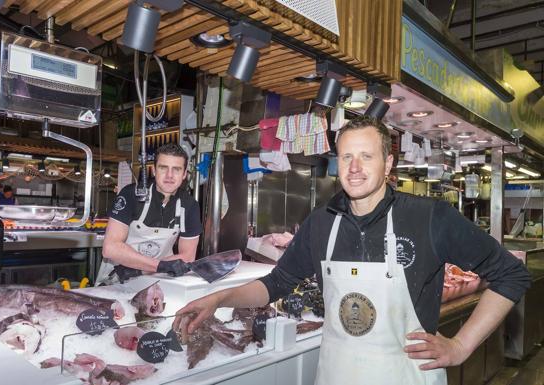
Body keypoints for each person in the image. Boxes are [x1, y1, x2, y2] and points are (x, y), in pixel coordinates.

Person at [173, 115, 530, 385]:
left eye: (366, 157)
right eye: (346, 158)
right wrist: (220, 299)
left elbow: (510, 275)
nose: (355, 169)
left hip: (405, 376)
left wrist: (461, 347)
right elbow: (276, 283)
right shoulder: (321, 223)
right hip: (336, 374)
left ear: (388, 164)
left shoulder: (429, 218)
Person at [96, 143, 202, 285]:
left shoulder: (189, 206)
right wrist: (159, 266)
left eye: (176, 170)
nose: (169, 176)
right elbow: (110, 248)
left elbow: (188, 257)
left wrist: (142, 270)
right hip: (116, 278)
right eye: (163, 168)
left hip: (159, 281)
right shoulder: (131, 194)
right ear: (154, 171)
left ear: (184, 174)